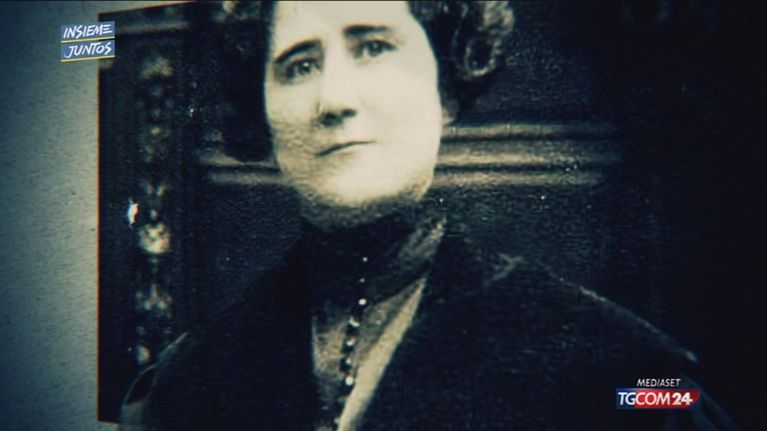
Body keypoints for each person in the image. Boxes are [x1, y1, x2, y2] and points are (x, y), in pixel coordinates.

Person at [120, 1, 738, 430]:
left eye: (373, 47)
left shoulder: (628, 374)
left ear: (445, 87)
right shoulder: (186, 384)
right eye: (299, 65)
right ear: (264, 111)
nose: (334, 99)